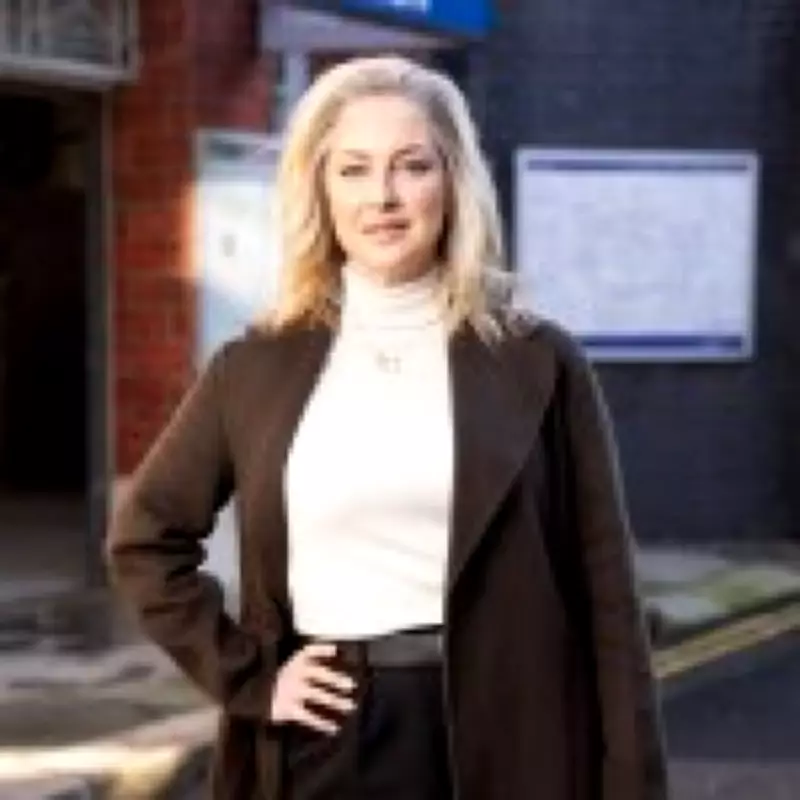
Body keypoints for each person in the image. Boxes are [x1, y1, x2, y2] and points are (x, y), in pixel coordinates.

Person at [106, 55, 668, 800]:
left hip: (517, 731)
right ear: (320, 188)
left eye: (412, 166)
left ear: (453, 181)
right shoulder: (254, 366)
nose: (383, 197)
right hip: (330, 735)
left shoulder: (538, 359)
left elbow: (608, 598)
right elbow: (145, 541)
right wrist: (249, 675)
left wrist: (633, 781)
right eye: (354, 169)